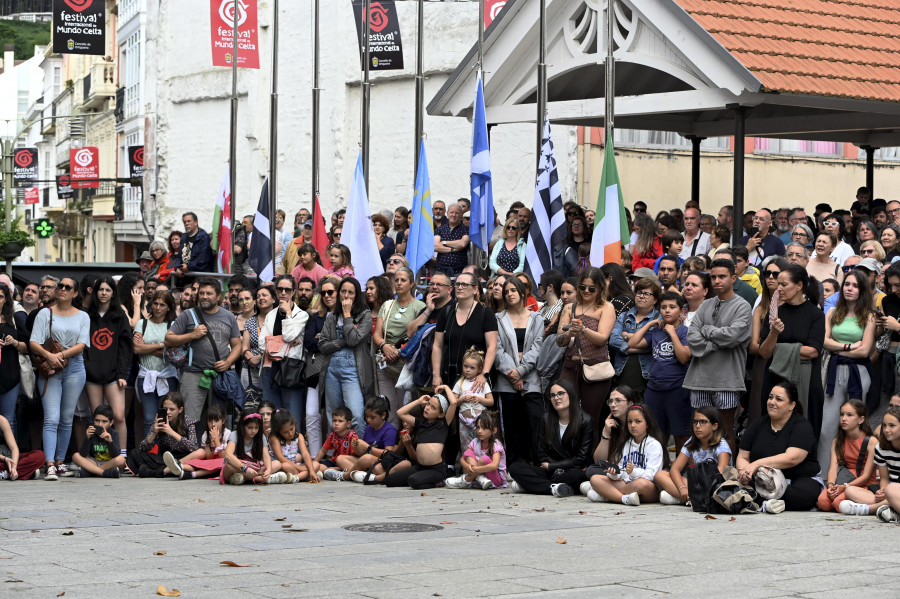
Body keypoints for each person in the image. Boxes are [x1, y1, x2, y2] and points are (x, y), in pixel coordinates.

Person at [684, 258, 752, 451]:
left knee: (725, 431)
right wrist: (717, 341)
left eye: (722, 276)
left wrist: (707, 331)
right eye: (713, 277)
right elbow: (692, 337)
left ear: (733, 278)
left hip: (727, 379)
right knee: (700, 432)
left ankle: (725, 474)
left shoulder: (742, 306)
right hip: (699, 378)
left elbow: (733, 336)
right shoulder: (706, 305)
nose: (717, 281)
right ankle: (702, 472)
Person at [29, 276, 89, 481]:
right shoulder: (45, 313)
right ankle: (50, 464)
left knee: (66, 418)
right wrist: (50, 357)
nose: (62, 289)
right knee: (51, 417)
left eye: (67, 287)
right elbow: (34, 342)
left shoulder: (83, 316)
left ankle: (61, 461)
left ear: (75, 293)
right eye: (60, 286)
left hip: (74, 367)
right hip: (50, 369)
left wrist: (60, 356)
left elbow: (82, 345)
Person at [820, 271, 876, 474]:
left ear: (861, 290)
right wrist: (847, 346)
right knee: (827, 427)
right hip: (834, 372)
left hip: (859, 373)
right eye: (847, 284)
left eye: (855, 285)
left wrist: (839, 347)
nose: (849, 288)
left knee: (855, 426)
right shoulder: (832, 312)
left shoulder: (868, 315)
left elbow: (865, 350)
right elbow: (824, 342)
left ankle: (856, 476)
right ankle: (825, 477)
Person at [737, 381, 821, 513]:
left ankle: (762, 503)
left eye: (779, 399)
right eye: (770, 397)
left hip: (796, 479)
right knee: (740, 487)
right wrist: (745, 472)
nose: (772, 402)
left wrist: (757, 464)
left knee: (803, 494)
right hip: (762, 480)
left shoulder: (801, 426)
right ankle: (769, 503)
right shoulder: (757, 424)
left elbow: (792, 458)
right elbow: (743, 456)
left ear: (792, 405)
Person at [164, 277, 241, 421]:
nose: (204, 296)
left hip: (220, 376)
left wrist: (228, 362)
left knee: (219, 420)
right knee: (189, 420)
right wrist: (192, 335)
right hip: (193, 374)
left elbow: (237, 346)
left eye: (209, 293)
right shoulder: (188, 315)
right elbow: (168, 339)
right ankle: (191, 444)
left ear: (219, 296)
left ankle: (217, 444)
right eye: (202, 293)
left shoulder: (229, 316)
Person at [557, 267, 616, 442]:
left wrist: (583, 329)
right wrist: (569, 333)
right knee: (565, 413)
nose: (586, 291)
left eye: (591, 288)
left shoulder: (606, 307)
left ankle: (590, 461)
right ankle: (566, 456)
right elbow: (559, 341)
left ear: (599, 288)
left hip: (595, 367)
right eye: (582, 287)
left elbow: (602, 339)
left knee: (591, 417)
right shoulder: (569, 307)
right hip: (570, 366)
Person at [628, 291, 692, 450]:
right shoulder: (656, 331)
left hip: (677, 389)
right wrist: (649, 324)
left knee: (681, 434)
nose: (667, 311)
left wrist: (672, 333)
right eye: (663, 307)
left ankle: (681, 471)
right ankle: (659, 468)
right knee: (656, 433)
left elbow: (684, 357)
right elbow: (633, 343)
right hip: (654, 389)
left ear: (681, 310)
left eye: (672, 307)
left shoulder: (685, 332)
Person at [508, 379, 592, 497]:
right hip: (549, 471)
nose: (556, 398)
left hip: (570, 471)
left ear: (571, 395)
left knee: (579, 475)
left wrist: (554, 466)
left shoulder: (585, 420)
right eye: (552, 395)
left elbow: (581, 458)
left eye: (560, 393)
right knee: (515, 468)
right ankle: (552, 487)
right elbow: (541, 452)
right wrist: (552, 468)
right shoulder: (546, 419)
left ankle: (530, 486)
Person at [494, 276, 544, 463]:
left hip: (531, 378)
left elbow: (538, 348)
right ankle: (514, 466)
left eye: (513, 290)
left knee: (535, 420)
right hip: (506, 380)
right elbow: (497, 350)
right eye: (506, 292)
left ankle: (537, 464)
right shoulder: (498, 319)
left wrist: (521, 371)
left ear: (523, 292)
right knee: (511, 425)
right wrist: (513, 374)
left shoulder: (536, 318)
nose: (509, 294)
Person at [319, 277, 373, 431]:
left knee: (355, 414)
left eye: (351, 292)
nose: (346, 296)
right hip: (331, 369)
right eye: (343, 291)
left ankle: (358, 452)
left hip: (353, 369)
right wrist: (341, 343)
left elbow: (353, 339)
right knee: (333, 415)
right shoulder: (332, 316)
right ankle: (332, 453)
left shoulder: (365, 315)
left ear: (357, 295)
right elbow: (322, 345)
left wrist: (347, 314)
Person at [584, 404, 666, 505]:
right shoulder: (626, 443)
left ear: (648, 424)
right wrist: (614, 473)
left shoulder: (654, 445)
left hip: (647, 488)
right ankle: (624, 499)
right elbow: (622, 472)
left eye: (638, 421)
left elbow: (653, 475)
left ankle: (607, 495)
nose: (633, 425)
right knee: (595, 479)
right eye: (630, 422)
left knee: (640, 483)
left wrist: (633, 471)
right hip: (626, 483)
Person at [432, 271, 498, 392]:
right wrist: (436, 375)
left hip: (476, 380)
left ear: (475, 289)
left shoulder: (485, 313)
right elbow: (437, 345)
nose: (460, 287)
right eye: (457, 284)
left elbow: (492, 346)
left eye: (464, 284)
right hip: (449, 376)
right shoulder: (447, 312)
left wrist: (484, 374)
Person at [373, 267, 424, 423]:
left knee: (406, 409)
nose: (399, 283)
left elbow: (418, 337)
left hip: (405, 365)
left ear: (412, 283)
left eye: (403, 280)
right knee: (387, 409)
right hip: (385, 363)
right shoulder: (387, 305)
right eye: (396, 280)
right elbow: (376, 334)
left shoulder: (419, 307)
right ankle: (390, 444)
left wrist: (398, 352)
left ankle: (404, 445)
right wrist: (384, 346)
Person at [655, 406, 732, 505]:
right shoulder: (692, 441)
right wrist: (682, 488)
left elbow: (720, 473)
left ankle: (685, 499)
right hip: (696, 483)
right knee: (660, 475)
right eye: (695, 422)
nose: (698, 426)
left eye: (703, 422)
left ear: (715, 426)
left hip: (715, 485)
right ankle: (689, 498)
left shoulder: (722, 445)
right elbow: (675, 469)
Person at [383, 391, 459, 489]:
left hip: (436, 470)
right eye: (428, 404)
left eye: (433, 408)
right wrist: (418, 401)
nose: (427, 408)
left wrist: (444, 387)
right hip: (420, 467)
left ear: (441, 414)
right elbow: (400, 413)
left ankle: (439, 482)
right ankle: (421, 478)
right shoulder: (420, 422)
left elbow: (454, 403)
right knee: (389, 480)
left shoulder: (443, 425)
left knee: (413, 481)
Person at [813, 400, 878, 513]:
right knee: (822, 502)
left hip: (862, 484)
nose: (844, 418)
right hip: (844, 480)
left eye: (849, 415)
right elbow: (833, 468)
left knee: (838, 502)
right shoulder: (837, 441)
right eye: (842, 414)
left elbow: (866, 476)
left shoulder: (871, 441)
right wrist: (830, 485)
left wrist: (844, 487)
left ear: (861, 419)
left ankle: (862, 506)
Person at [261, 276, 308, 418]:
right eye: (280, 289)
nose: (283, 292)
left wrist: (288, 313)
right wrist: (285, 343)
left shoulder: (301, 315)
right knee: (271, 414)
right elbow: (262, 343)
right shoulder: (270, 314)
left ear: (293, 292)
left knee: (291, 415)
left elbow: (288, 336)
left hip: (291, 368)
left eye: (287, 290)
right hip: (271, 367)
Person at [134, 290, 178, 436]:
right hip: (146, 376)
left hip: (167, 377)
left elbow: (172, 354)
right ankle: (149, 453)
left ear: (169, 307)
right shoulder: (143, 323)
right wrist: (161, 345)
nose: (158, 308)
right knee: (148, 418)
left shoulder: (172, 325)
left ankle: (164, 452)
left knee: (166, 419)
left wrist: (146, 347)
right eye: (156, 304)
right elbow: (136, 348)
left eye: (162, 305)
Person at [302, 278, 338, 455]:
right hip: (316, 370)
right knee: (311, 415)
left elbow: (345, 342)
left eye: (330, 292)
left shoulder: (344, 317)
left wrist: (321, 338)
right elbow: (308, 342)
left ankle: (332, 455)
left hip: (336, 369)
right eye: (323, 293)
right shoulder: (316, 317)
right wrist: (327, 342)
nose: (326, 296)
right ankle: (315, 456)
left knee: (333, 416)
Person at [610, 277, 661, 399]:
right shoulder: (624, 315)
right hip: (621, 372)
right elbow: (613, 340)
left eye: (646, 294)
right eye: (639, 292)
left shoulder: (659, 319)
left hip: (645, 376)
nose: (641, 296)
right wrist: (636, 348)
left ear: (655, 299)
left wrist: (626, 335)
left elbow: (651, 344)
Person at [129, 392, 199, 478]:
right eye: (165, 409)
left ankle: (155, 472)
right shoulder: (160, 420)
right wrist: (154, 432)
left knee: (196, 459)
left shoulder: (188, 421)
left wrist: (171, 432)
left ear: (180, 410)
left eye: (172, 409)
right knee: (134, 453)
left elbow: (194, 447)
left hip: (182, 458)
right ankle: (166, 471)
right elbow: (143, 448)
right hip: (164, 459)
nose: (168, 412)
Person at [337, 396, 398, 480]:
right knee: (340, 458)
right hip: (366, 462)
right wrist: (356, 448)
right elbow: (362, 454)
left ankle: (347, 475)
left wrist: (368, 448)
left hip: (381, 464)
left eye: (372, 417)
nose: (368, 420)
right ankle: (361, 474)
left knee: (367, 459)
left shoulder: (389, 430)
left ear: (383, 415)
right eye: (367, 416)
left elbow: (389, 454)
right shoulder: (368, 428)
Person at [167, 404, 232, 480]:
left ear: (223, 421)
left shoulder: (228, 434)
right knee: (197, 462)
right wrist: (214, 449)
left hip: (222, 463)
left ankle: (191, 474)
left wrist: (217, 441)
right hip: (210, 462)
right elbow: (208, 457)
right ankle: (180, 466)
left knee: (222, 462)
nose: (213, 424)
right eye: (210, 421)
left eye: (217, 421)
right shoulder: (206, 434)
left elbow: (224, 457)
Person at [445, 411, 507, 489]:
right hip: (483, 478)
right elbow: (462, 458)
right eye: (478, 427)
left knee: (484, 459)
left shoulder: (496, 444)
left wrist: (475, 469)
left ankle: (465, 480)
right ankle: (480, 478)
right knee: (468, 453)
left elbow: (495, 466)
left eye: (484, 428)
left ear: (494, 430)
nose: (480, 431)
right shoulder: (475, 442)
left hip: (496, 480)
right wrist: (467, 466)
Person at [222, 409, 281, 485]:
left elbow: (266, 457)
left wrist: (268, 470)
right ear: (243, 426)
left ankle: (244, 478)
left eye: (256, 428)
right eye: (250, 428)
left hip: (254, 468)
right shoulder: (234, 434)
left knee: (277, 464)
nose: (253, 431)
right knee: (229, 467)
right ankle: (263, 479)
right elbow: (228, 455)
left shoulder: (261, 437)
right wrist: (245, 469)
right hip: (240, 467)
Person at [0, 284, 28, 432]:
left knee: (9, 419)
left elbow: (28, 347)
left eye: (0, 297)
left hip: (10, 375)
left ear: (6, 299)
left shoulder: (14, 318)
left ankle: (12, 454)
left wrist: (15, 342)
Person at [71, 404, 126, 478]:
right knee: (76, 456)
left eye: (104, 421)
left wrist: (110, 442)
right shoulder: (91, 432)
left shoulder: (113, 433)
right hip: (94, 462)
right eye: (97, 421)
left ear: (111, 422)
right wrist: (87, 438)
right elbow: (83, 454)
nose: (100, 424)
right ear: (93, 420)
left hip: (108, 463)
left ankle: (91, 472)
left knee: (121, 459)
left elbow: (115, 455)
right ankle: (104, 473)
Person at [268, 409, 317, 483]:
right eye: (285, 432)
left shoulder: (299, 436)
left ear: (294, 424)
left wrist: (312, 470)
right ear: (278, 431)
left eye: (292, 429)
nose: (290, 433)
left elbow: (305, 454)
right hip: (282, 465)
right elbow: (281, 458)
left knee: (316, 464)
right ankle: (304, 476)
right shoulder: (275, 438)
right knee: (285, 466)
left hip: (294, 464)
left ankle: (297, 477)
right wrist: (299, 468)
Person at [241, 285, 273, 394]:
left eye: (264, 295)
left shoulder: (279, 320)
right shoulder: (250, 321)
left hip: (271, 368)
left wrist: (260, 358)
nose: (261, 298)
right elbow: (245, 346)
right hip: (249, 368)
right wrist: (248, 355)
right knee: (250, 404)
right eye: (258, 296)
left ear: (273, 299)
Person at [0, 414, 44, 480]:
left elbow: (14, 448)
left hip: (8, 457)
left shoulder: (2, 421)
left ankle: (7, 473)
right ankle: (25, 473)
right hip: (2, 459)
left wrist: (14, 467)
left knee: (40, 456)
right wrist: (5, 459)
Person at [173, 212, 214, 284]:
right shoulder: (183, 237)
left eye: (189, 221)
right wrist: (177, 268)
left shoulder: (204, 237)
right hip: (184, 278)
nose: (186, 224)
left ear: (196, 222)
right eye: (184, 222)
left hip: (199, 278)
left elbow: (203, 259)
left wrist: (188, 267)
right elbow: (179, 256)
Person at [434, 204, 469, 277]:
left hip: (459, 271)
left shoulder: (466, 229)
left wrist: (444, 242)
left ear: (461, 215)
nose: (454, 215)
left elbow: (462, 243)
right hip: (441, 270)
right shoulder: (439, 229)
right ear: (447, 213)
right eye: (452, 212)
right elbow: (435, 246)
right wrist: (453, 249)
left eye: (457, 213)